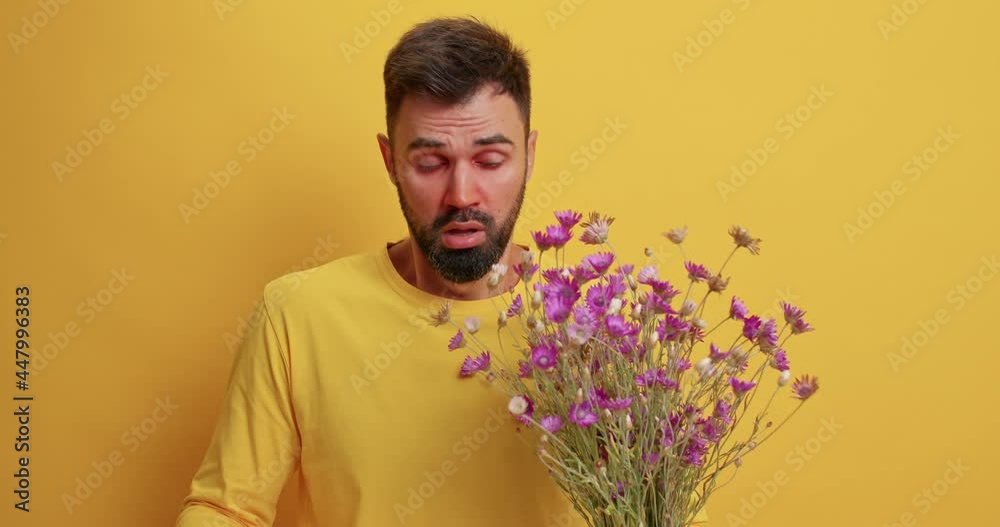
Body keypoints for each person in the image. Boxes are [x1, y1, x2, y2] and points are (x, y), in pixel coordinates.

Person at [175, 16, 709, 526]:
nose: (461, 195)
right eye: (430, 163)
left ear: (529, 154)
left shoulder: (607, 327)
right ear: (390, 161)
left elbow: (671, 511)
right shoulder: (296, 316)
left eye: (490, 161)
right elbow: (226, 510)